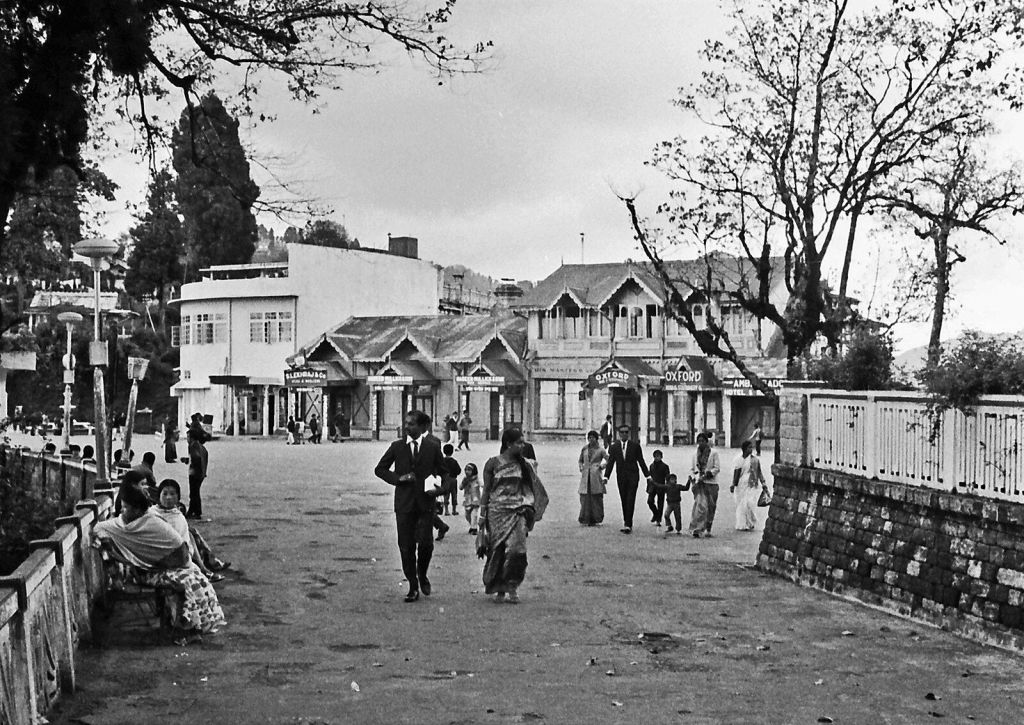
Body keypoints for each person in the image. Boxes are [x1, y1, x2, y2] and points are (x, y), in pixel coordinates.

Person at [92, 481, 226, 643]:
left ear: (137, 510)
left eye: (126, 507)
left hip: (165, 567)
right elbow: (98, 528)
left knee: (197, 578)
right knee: (185, 583)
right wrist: (110, 546)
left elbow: (179, 548)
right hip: (144, 572)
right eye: (122, 506)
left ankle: (191, 626)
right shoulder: (119, 524)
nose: (122, 511)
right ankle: (181, 630)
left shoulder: (152, 521)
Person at [374, 409, 446, 603]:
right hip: (404, 504)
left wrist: (438, 491)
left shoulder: (432, 447)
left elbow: (444, 473)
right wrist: (399, 478)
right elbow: (380, 469)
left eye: (412, 424)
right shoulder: (397, 447)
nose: (407, 427)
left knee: (426, 545)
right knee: (405, 547)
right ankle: (413, 585)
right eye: (406, 423)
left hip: (425, 504)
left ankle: (422, 574)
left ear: (423, 427)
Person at [476, 428, 549, 603]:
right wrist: (481, 513)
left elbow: (532, 488)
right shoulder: (492, 464)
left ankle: (512, 584)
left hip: (517, 511)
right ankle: (499, 587)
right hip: (496, 512)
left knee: (517, 550)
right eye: (519, 443)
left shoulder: (524, 465)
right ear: (508, 444)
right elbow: (486, 490)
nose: (522, 446)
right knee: (498, 551)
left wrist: (528, 506)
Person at [150, 479, 224, 582]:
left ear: (178, 498)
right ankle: (204, 569)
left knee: (190, 534)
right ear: (159, 496)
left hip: (180, 551)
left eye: (172, 494)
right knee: (190, 536)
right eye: (165, 494)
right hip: (163, 554)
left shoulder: (178, 515)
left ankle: (204, 567)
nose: (168, 498)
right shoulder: (152, 514)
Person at [603, 425, 650, 534]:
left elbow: (641, 461)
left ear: (628, 434)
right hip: (621, 477)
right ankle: (626, 521)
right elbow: (611, 463)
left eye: (626, 432)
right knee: (624, 499)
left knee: (630, 499)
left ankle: (628, 524)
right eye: (622, 432)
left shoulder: (635, 446)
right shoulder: (614, 447)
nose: (624, 434)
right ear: (619, 434)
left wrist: (648, 476)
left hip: (633, 477)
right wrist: (606, 477)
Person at [688, 432, 721, 538]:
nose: (701, 443)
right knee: (700, 506)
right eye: (699, 441)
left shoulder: (713, 453)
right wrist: (694, 478)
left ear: (707, 442)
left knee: (711, 506)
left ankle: (708, 527)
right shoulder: (695, 454)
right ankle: (697, 528)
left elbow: (717, 468)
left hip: (711, 483)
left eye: (703, 441)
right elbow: (692, 469)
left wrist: (707, 475)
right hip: (699, 484)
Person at [732, 440, 767, 531]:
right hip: (741, 485)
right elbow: (736, 473)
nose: (751, 449)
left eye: (751, 447)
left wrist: (764, 483)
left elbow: (759, 473)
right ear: (744, 449)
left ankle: (750, 522)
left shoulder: (755, 460)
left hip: (752, 485)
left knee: (750, 503)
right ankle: (742, 524)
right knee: (742, 504)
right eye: (749, 447)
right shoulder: (739, 460)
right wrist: (733, 484)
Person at [578, 430, 608, 526]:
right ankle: (585, 518)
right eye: (589, 438)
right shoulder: (584, 449)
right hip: (586, 476)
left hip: (595, 476)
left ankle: (596, 518)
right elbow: (580, 460)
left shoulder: (601, 450)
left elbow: (609, 460)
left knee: (596, 497)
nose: (591, 440)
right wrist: (581, 467)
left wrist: (602, 466)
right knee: (585, 497)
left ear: (596, 438)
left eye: (593, 438)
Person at [185, 426, 209, 520]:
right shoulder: (201, 446)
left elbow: (196, 458)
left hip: (195, 473)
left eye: (188, 437)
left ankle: (193, 511)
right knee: (196, 493)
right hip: (201, 473)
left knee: (193, 493)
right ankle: (196, 511)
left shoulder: (193, 446)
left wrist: (193, 465)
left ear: (192, 438)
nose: (187, 439)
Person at [647, 449, 670, 527]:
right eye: (656, 456)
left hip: (661, 486)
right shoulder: (651, 466)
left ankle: (658, 519)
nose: (657, 458)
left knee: (660, 504)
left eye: (658, 456)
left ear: (661, 457)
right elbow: (649, 477)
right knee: (650, 501)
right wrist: (648, 487)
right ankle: (655, 513)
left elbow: (668, 477)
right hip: (652, 486)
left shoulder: (665, 467)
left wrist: (667, 487)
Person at [460, 463, 481, 535]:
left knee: (474, 514)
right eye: (466, 470)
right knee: (467, 514)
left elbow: (482, 484)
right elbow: (460, 487)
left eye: (469, 470)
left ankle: (474, 527)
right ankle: (472, 525)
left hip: (475, 499)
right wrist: (463, 483)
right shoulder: (465, 479)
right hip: (467, 499)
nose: (467, 471)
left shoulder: (476, 479)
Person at [441, 443, 460, 516]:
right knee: (454, 494)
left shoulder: (442, 461)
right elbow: (458, 471)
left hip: (445, 479)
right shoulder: (454, 461)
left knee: (446, 495)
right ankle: (454, 510)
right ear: (452, 452)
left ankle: (446, 510)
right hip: (453, 479)